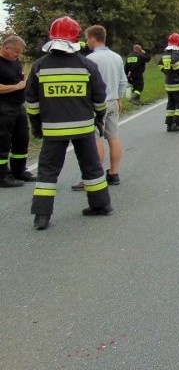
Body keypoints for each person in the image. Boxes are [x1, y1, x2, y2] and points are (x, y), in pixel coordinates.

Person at [26, 16, 112, 230]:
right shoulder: (87, 65)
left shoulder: (39, 67)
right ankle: (101, 205)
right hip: (83, 127)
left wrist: (36, 125)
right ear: (75, 38)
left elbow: (31, 101)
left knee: (47, 171)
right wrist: (99, 118)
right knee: (92, 167)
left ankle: (42, 217)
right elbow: (100, 99)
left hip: (53, 129)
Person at [70, 25, 126, 189]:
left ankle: (95, 177)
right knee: (113, 137)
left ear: (93, 39)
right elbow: (123, 80)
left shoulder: (90, 59)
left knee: (96, 139)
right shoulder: (116, 57)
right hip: (114, 101)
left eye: (88, 39)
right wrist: (119, 98)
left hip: (96, 104)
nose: (87, 43)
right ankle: (114, 174)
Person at [0, 35, 35, 187]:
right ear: (5, 48)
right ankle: (2, 175)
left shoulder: (15, 62)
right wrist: (16, 87)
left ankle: (19, 170)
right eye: (15, 52)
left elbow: (20, 77)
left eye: (19, 52)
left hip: (19, 106)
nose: (17, 55)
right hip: (3, 107)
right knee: (3, 142)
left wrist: (25, 82)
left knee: (22, 139)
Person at [159, 33, 179, 133]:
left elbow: (159, 64)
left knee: (171, 104)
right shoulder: (177, 53)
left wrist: (166, 72)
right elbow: (175, 64)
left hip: (169, 83)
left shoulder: (165, 53)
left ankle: (169, 124)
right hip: (178, 84)